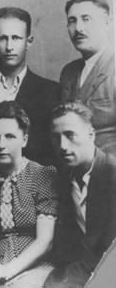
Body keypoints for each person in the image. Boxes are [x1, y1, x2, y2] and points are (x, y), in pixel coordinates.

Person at [0, 101, 58, 288]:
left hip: (35, 265)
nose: (1, 145)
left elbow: (45, 241)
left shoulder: (42, 175)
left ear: (24, 139)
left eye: (9, 136)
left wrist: (7, 271)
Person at [0, 7, 60, 166]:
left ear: (28, 42)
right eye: (2, 38)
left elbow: (51, 153)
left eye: (16, 38)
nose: (9, 47)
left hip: (32, 185)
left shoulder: (51, 91)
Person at [44, 101, 116, 288]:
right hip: (83, 265)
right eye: (55, 137)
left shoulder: (112, 174)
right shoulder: (64, 179)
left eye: (70, 135)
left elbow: (111, 249)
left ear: (91, 134)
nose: (62, 146)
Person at [60, 0, 116, 156]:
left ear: (106, 22)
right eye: (72, 21)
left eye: (86, 19)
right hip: (73, 173)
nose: (78, 28)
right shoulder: (68, 72)